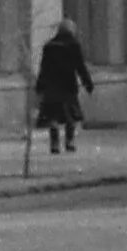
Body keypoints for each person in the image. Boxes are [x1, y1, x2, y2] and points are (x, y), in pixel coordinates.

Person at [34, 18, 93, 154]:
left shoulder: (49, 46)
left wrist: (40, 85)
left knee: (53, 117)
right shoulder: (73, 45)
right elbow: (80, 67)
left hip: (52, 86)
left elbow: (44, 68)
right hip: (68, 85)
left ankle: (54, 143)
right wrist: (87, 83)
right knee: (69, 117)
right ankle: (69, 141)